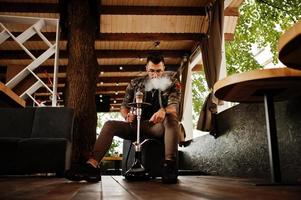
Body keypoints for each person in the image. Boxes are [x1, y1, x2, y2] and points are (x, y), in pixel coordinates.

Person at [65, 54, 181, 184]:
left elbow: (174, 107)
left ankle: (169, 166)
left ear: (163, 68)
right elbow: (123, 107)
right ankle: (92, 166)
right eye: (152, 71)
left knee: (172, 118)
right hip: (136, 125)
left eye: (158, 71)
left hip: (157, 126)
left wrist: (163, 111)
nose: (155, 74)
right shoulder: (135, 83)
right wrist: (127, 115)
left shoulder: (172, 82)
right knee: (110, 124)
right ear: (146, 69)